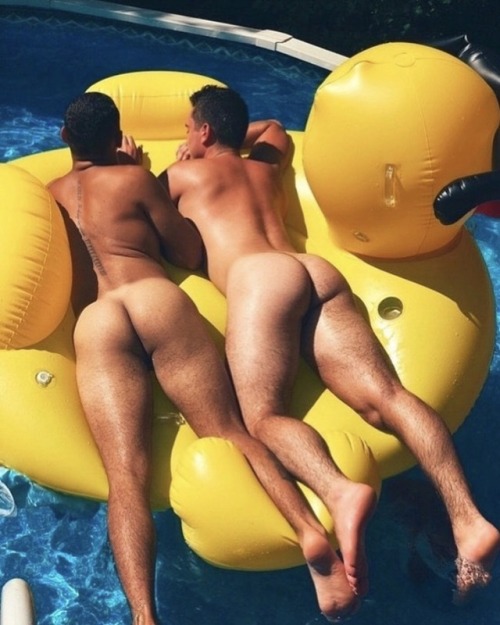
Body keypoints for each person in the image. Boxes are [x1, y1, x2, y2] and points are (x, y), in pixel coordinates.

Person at [160, 84, 500, 606]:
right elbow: (274, 128)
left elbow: (151, 226)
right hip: (313, 271)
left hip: (258, 279)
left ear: (203, 131)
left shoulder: (180, 176)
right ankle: (468, 519)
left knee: (263, 419)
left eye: (189, 129)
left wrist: (184, 156)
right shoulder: (263, 168)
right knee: (387, 396)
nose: (184, 138)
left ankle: (339, 490)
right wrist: (225, 135)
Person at [48, 91, 373, 625]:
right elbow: (188, 251)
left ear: (64, 137)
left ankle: (143, 616)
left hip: (99, 321)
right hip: (153, 298)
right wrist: (137, 172)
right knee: (231, 430)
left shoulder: (49, 195)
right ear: (115, 137)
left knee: (124, 480)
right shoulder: (132, 180)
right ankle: (310, 535)